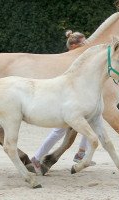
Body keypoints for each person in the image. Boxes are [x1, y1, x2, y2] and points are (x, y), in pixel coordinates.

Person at [31, 30, 94, 170]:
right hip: (64, 99)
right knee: (58, 131)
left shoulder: (80, 59)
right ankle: (36, 158)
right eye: (83, 44)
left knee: (91, 119)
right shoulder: (71, 60)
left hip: (72, 98)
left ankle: (81, 153)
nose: (87, 46)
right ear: (73, 47)